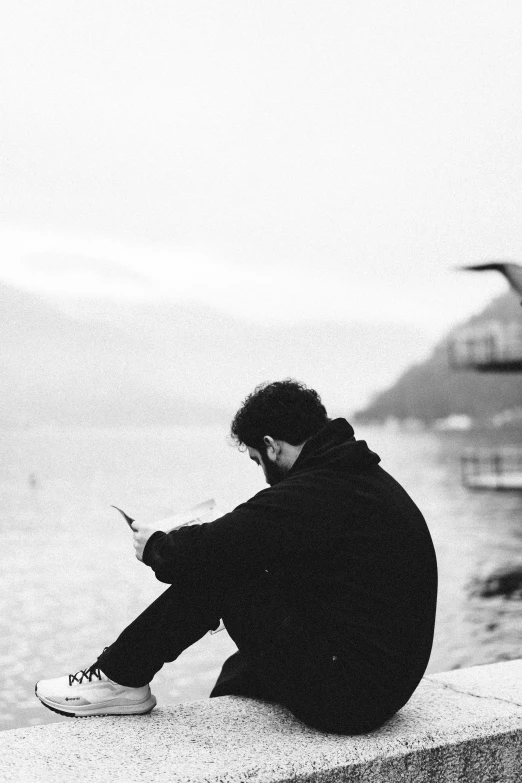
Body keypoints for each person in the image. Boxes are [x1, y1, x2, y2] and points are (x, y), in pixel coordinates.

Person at [36, 379, 437, 734]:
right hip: (380, 683)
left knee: (226, 570)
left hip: (353, 699)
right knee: (239, 673)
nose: (261, 472)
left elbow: (215, 550)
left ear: (271, 445)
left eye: (255, 460)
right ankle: (160, 687)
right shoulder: (356, 478)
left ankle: (118, 677)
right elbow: (261, 537)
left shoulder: (317, 490)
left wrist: (156, 545)